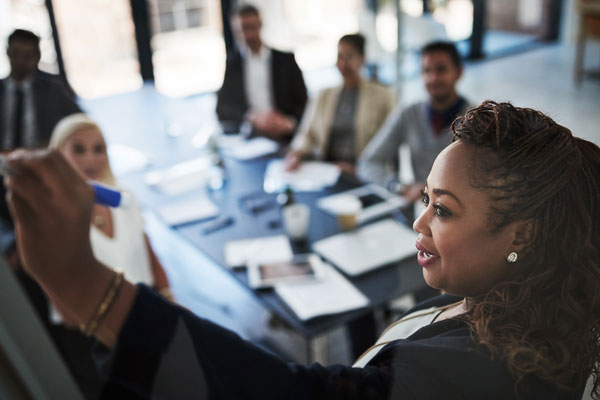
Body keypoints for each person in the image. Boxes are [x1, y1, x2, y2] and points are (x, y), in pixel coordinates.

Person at [5, 101, 600, 399]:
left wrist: (88, 289)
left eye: (443, 210)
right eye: (425, 198)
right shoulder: (529, 307)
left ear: (521, 234)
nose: (418, 221)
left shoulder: (481, 376)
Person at [357, 41, 471, 202]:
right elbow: (368, 163)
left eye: (441, 69)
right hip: (420, 209)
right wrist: (398, 186)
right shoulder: (408, 114)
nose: (433, 78)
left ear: (458, 72)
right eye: (426, 71)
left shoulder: (477, 120)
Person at [285, 33, 395, 176]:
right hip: (327, 169)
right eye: (339, 57)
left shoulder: (383, 96)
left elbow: (389, 144)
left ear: (362, 59)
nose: (343, 64)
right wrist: (296, 154)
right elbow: (307, 132)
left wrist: (359, 170)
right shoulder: (324, 95)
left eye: (349, 56)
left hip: (362, 172)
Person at [216, 4, 308, 140]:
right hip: (251, 137)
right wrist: (251, 117)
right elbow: (223, 108)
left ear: (260, 25)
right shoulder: (233, 64)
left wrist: (290, 122)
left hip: (285, 135)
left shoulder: (286, 60)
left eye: (252, 27)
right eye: (242, 29)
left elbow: (304, 102)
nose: (248, 35)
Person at [0, 29, 81, 151]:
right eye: (16, 54)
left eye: (27, 56)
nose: (20, 61)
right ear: (8, 53)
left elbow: (79, 122)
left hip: (42, 158)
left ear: (37, 57)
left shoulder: (54, 89)